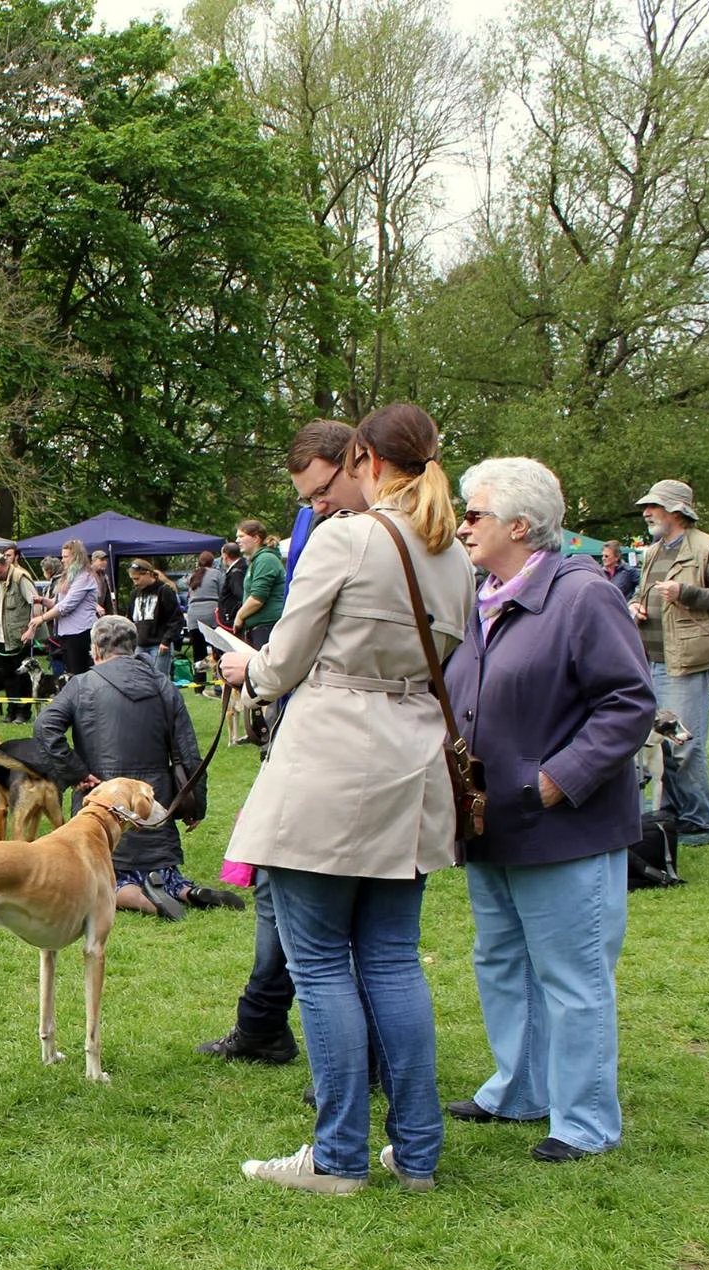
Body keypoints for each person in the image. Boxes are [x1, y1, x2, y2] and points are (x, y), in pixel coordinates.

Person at [220, 402, 474, 1195]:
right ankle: (418, 1152)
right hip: (413, 760)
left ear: (363, 455)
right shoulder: (454, 555)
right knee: (394, 961)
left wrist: (249, 674)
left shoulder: (346, 539)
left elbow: (284, 656)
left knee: (321, 961)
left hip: (333, 761)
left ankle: (337, 1156)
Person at [445, 457, 655, 1164]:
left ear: (520, 524)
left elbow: (629, 703)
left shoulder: (582, 593)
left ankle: (585, 1120)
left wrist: (554, 782)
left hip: (562, 826)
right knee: (500, 959)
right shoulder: (485, 593)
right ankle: (518, 1087)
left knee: (572, 976)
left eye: (473, 513)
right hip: (491, 822)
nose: (462, 523)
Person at [197, 418, 361, 1068]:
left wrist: (257, 669)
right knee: (275, 888)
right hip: (296, 723)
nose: (316, 505)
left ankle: (340, 1068)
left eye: (322, 489)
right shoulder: (311, 524)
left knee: (329, 926)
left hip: (331, 737)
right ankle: (264, 1020)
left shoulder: (365, 536)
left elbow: (302, 641)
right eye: (307, 495)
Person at [34, 616, 232, 919]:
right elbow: (190, 753)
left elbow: (45, 727)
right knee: (166, 872)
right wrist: (196, 806)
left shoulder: (81, 684)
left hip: (103, 807)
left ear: (96, 649)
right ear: (133, 646)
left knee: (104, 880)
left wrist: (76, 773)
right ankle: (182, 891)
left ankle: (143, 901)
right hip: (155, 808)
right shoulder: (163, 685)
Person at [630, 478, 709, 836]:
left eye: (654, 506)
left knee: (684, 743)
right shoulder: (653, 550)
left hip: (687, 659)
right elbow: (639, 591)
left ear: (676, 511)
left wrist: (686, 592)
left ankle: (696, 818)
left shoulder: (708, 549)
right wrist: (636, 605)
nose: (646, 512)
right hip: (650, 658)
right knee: (662, 745)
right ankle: (673, 813)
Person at [23, 539, 99, 676]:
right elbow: (57, 602)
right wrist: (43, 600)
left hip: (80, 633)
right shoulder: (69, 577)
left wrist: (41, 619)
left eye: (65, 557)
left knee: (79, 674)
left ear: (76, 557)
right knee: (69, 674)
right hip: (66, 634)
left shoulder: (85, 578)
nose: (62, 560)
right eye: (62, 556)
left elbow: (66, 606)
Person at [0, 549, 39, 722]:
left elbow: (35, 604)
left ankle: (23, 712)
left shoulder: (21, 577)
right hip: (1, 638)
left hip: (19, 637)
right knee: (7, 677)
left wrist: (31, 630)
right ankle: (11, 710)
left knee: (22, 676)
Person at [232, 520, 286, 646]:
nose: (237, 541)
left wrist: (239, 616)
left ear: (256, 538)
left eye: (241, 536)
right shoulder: (257, 560)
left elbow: (257, 598)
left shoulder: (266, 559)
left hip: (267, 627)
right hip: (259, 628)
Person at [126, 560, 184, 675]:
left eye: (137, 579)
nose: (135, 583)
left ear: (147, 574)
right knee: (140, 678)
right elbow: (130, 619)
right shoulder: (134, 594)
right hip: (139, 644)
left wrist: (166, 641)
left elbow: (176, 619)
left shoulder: (164, 591)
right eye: (132, 579)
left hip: (159, 645)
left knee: (159, 678)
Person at [184, 550, 223, 669]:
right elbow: (222, 593)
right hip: (211, 613)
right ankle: (218, 680)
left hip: (193, 615)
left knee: (198, 651)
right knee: (217, 649)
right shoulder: (217, 573)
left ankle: (199, 684)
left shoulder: (192, 576)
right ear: (212, 562)